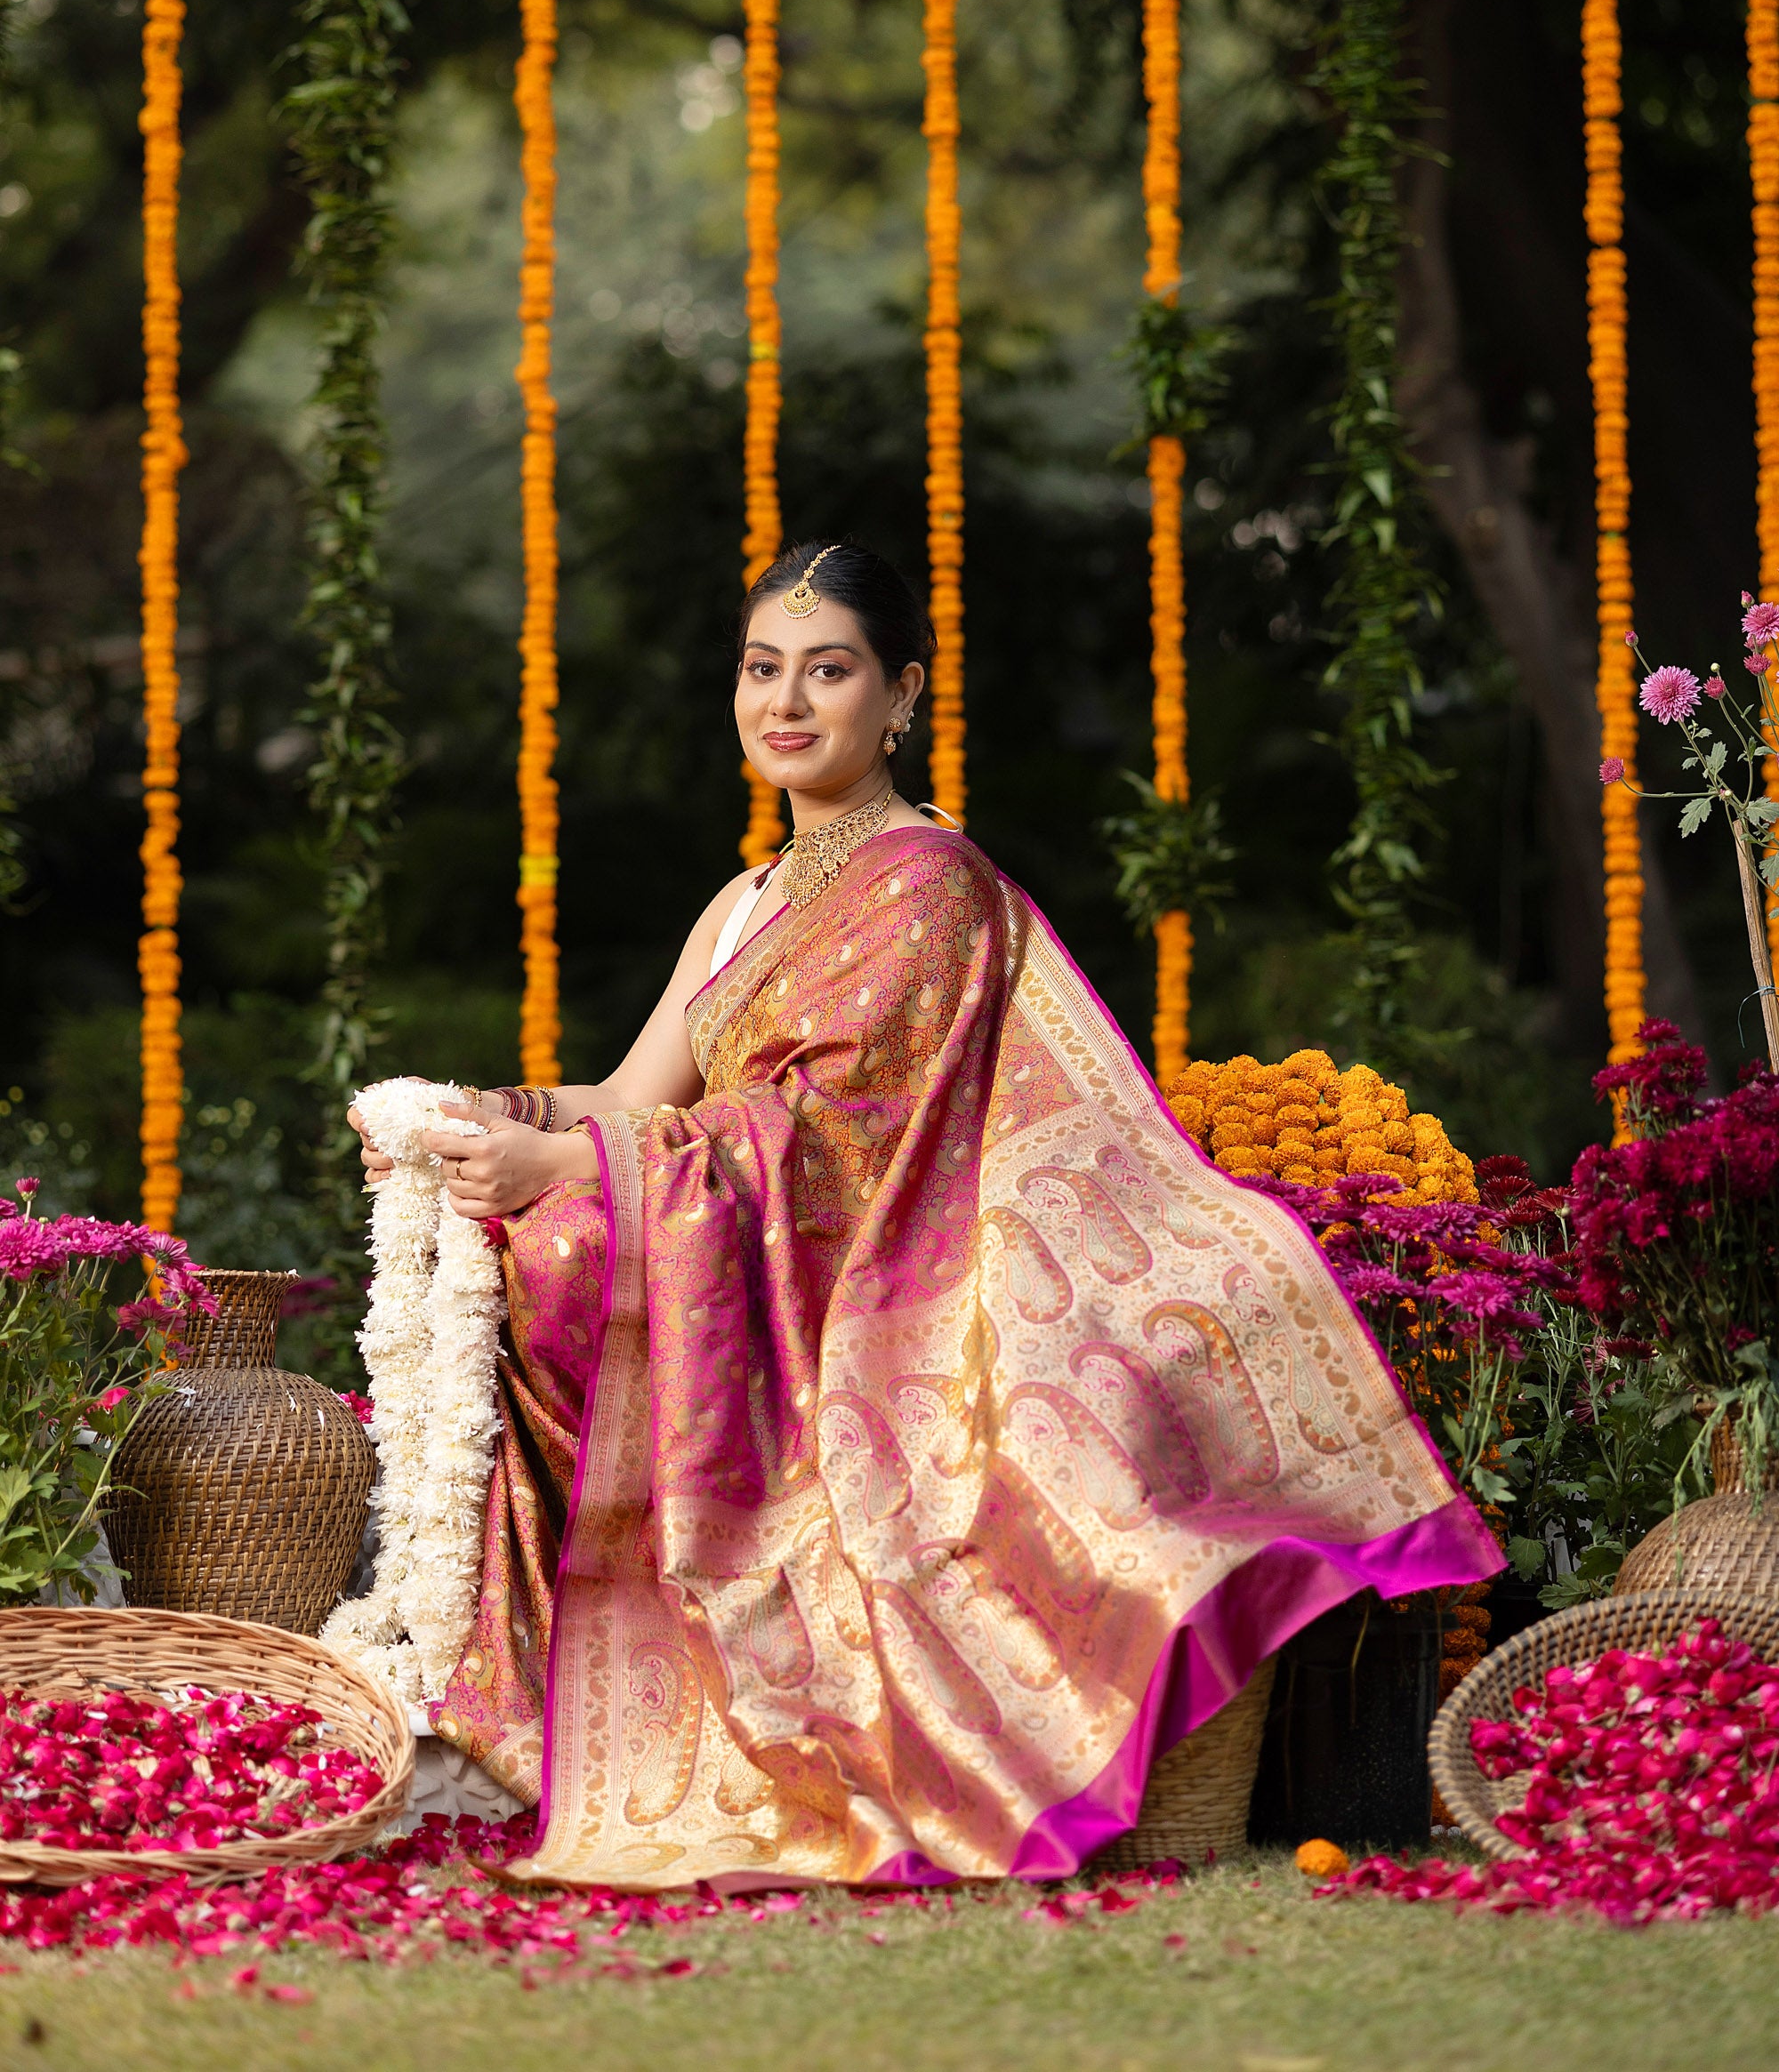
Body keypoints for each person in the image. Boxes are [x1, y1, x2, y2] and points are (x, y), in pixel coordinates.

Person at [349, 539, 1495, 1889]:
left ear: (899, 696)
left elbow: (832, 1142)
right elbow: (620, 1093)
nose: (787, 702)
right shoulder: (742, 905)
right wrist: (480, 1114)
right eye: (762, 670)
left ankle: (644, 1705)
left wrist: (574, 1182)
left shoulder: (928, 882)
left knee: (570, 1242)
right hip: (740, 1254)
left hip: (865, 1292)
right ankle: (518, 1707)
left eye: (827, 672)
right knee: (511, 1230)